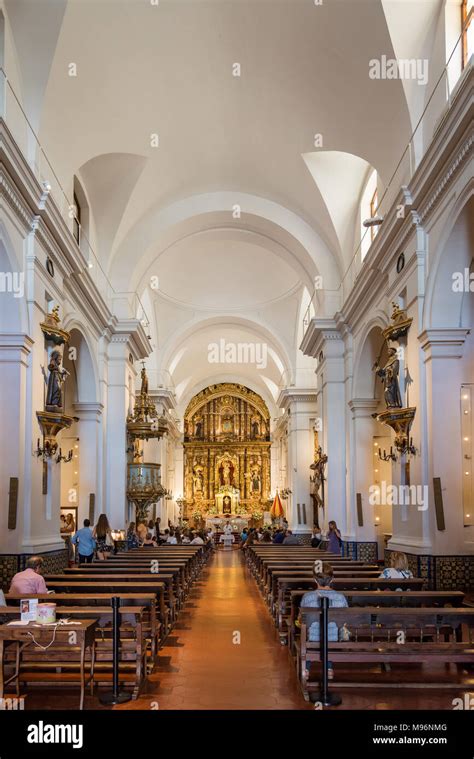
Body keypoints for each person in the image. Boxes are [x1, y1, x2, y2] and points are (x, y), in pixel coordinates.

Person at [300, 561, 348, 681]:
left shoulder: (307, 597)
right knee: (330, 632)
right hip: (334, 638)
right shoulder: (341, 597)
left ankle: (306, 668)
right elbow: (345, 621)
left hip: (313, 638)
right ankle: (329, 668)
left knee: (309, 633)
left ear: (314, 580)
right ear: (332, 579)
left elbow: (302, 620)